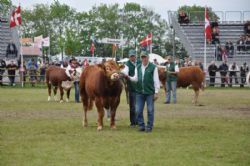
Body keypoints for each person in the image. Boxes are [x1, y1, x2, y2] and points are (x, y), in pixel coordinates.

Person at [126, 51, 160, 132]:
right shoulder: (137, 67)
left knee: (150, 110)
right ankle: (141, 125)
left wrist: (156, 92)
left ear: (148, 57)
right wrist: (128, 77)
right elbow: (136, 78)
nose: (144, 59)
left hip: (150, 93)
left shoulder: (153, 67)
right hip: (139, 92)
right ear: (140, 58)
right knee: (138, 110)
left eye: (145, 57)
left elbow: (156, 80)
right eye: (142, 57)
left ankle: (149, 126)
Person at [121, 49, 138, 127]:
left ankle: (138, 120)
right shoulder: (127, 64)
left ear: (135, 56)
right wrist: (124, 74)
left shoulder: (139, 63)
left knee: (139, 106)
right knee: (133, 106)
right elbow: (125, 72)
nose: (132, 57)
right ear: (129, 57)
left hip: (140, 88)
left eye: (133, 56)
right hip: (132, 88)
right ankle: (133, 122)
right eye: (131, 56)